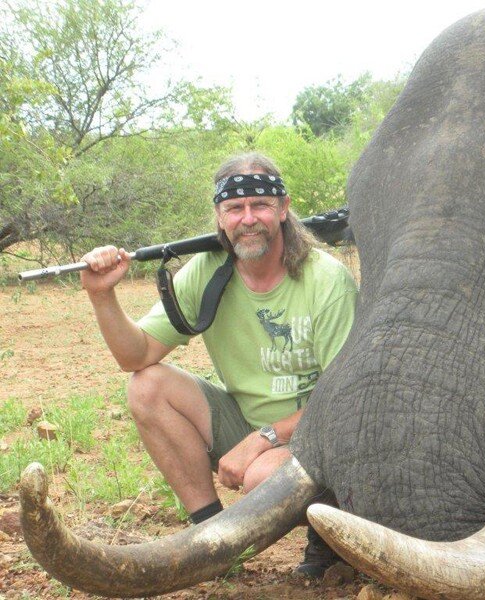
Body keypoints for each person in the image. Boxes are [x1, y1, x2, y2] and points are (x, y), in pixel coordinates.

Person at [80, 152, 358, 578]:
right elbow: (134, 356)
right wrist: (102, 296)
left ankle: (331, 535)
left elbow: (343, 401)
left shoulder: (326, 279)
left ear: (283, 210)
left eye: (261, 205)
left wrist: (263, 439)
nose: (248, 219)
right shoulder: (207, 270)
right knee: (147, 385)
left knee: (264, 476)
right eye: (235, 208)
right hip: (249, 425)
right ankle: (211, 541)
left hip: (323, 435)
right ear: (219, 216)